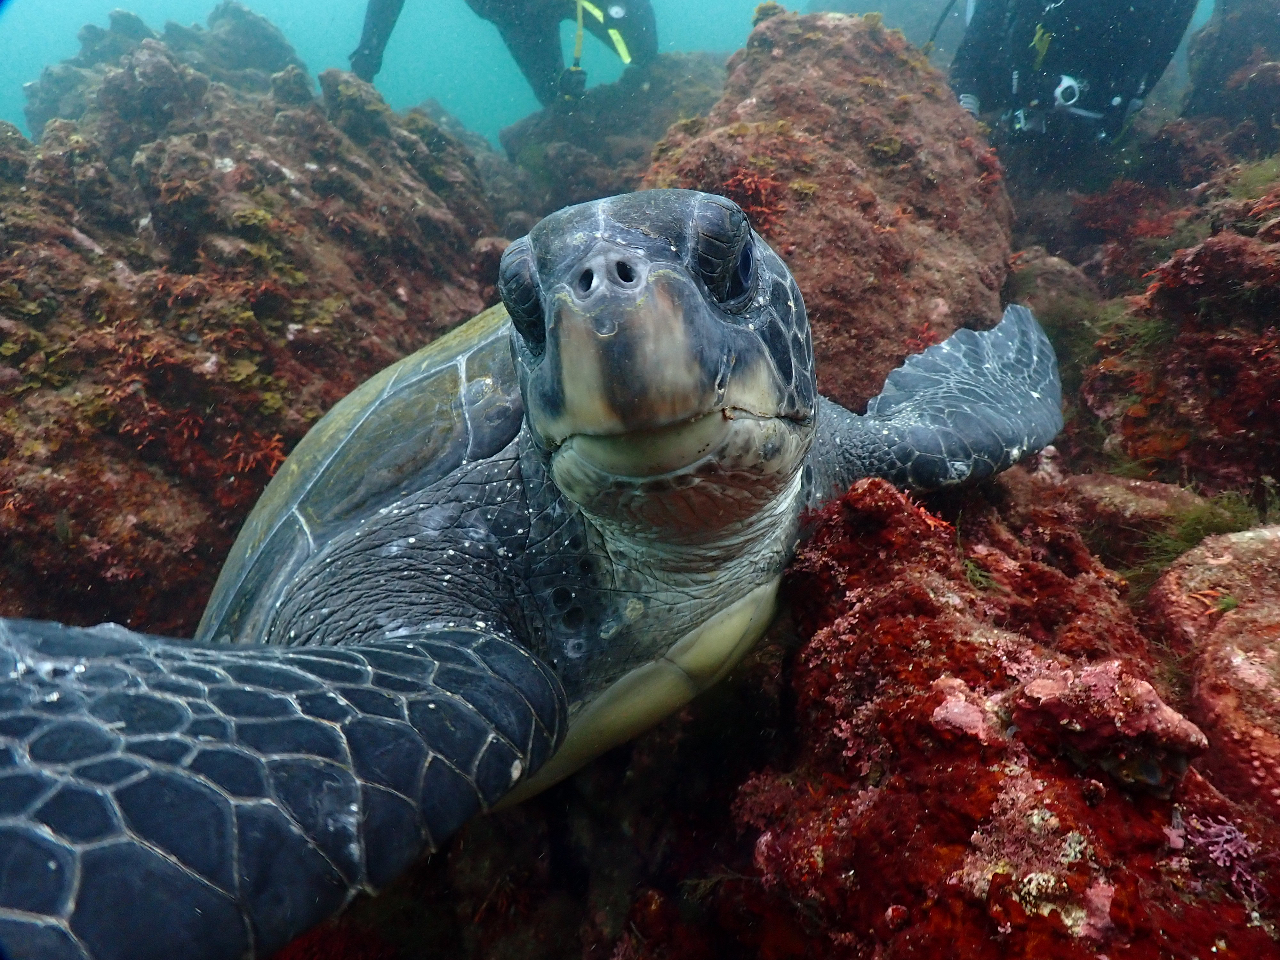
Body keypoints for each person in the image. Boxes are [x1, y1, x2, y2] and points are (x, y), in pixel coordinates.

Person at [949, 0, 1198, 148]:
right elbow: (986, 30)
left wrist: (1121, 108)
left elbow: (1163, 42)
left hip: (1098, 103)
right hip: (1022, 76)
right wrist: (969, 87)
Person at [350, 0, 659, 107]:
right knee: (556, 101)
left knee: (643, 55)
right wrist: (369, 53)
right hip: (518, 23)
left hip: (565, 3)